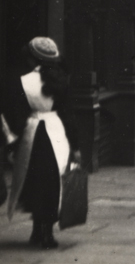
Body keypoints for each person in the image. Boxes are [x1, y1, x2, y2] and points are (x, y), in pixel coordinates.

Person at [1, 37, 80, 250]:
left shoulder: (23, 81)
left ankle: (37, 230)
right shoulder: (61, 81)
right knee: (54, 184)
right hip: (56, 134)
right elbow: (68, 115)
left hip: (32, 134)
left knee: (35, 183)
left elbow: (16, 114)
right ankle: (47, 233)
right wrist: (76, 145)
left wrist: (14, 142)